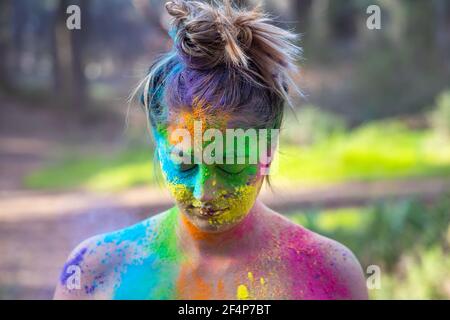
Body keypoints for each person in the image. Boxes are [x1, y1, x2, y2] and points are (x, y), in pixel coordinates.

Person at [54, 0, 368, 300]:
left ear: (268, 149)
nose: (205, 191)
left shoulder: (327, 273)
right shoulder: (96, 272)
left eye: (230, 163)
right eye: (185, 163)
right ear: (160, 145)